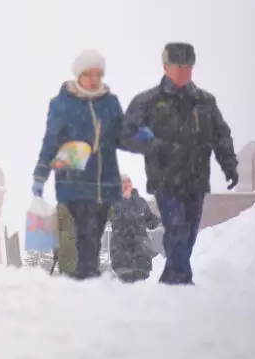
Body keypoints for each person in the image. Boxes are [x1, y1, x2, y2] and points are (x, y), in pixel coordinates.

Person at [121, 42, 238, 286]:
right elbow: (123, 134)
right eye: (178, 67)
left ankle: (172, 281)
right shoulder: (148, 102)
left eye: (188, 67)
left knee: (189, 235)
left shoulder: (205, 102)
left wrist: (229, 165)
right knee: (177, 229)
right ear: (166, 67)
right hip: (165, 181)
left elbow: (221, 135)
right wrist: (152, 145)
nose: (184, 72)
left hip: (196, 181)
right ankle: (181, 287)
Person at [32, 50, 134, 280]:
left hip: (105, 180)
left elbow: (121, 136)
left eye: (98, 74)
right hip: (74, 179)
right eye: (88, 74)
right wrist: (41, 174)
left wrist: (144, 140)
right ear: (79, 75)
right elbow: (51, 140)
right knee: (85, 230)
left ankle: (86, 276)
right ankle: (87, 277)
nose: (94, 79)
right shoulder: (62, 104)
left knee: (95, 232)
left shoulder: (109, 102)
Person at [108, 174, 161, 282]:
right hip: (122, 254)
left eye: (129, 181)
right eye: (123, 182)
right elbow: (117, 218)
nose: (127, 184)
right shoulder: (112, 202)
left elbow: (151, 223)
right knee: (127, 288)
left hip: (142, 255)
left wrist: (164, 217)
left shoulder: (141, 202)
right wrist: (125, 200)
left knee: (140, 289)